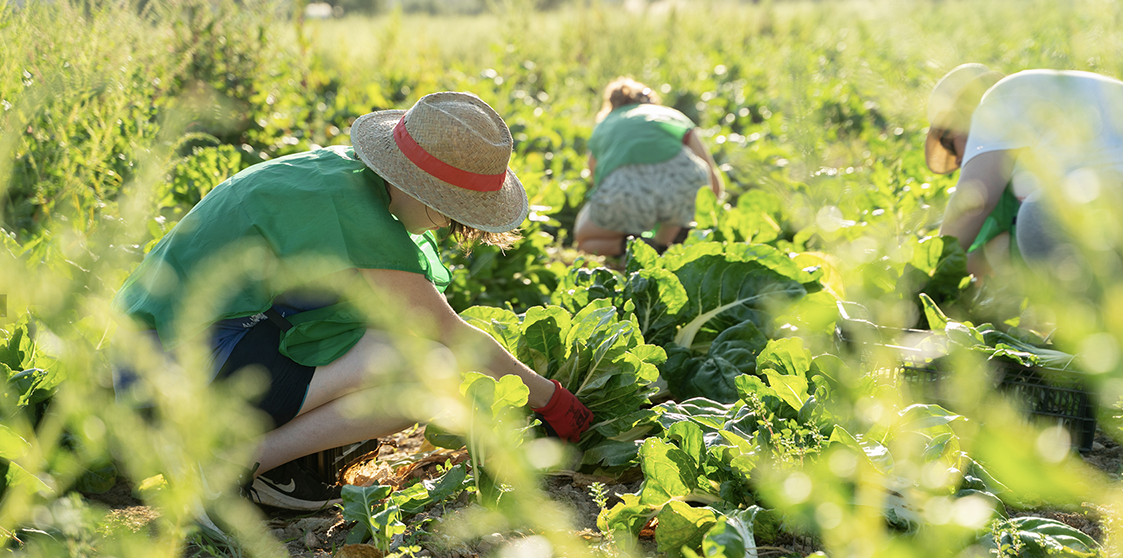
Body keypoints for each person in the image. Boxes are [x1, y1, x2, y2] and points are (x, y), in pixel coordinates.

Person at [113, 92, 594, 512]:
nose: (450, 225)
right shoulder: (350, 209)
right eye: (450, 210)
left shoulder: (337, 175)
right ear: (413, 184)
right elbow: (449, 334)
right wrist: (548, 398)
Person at [928, 64, 1123, 280]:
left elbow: (974, 202)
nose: (958, 160)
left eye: (948, 144)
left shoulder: (998, 100)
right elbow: (998, 251)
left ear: (960, 116)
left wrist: (930, 271)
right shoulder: (1032, 130)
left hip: (1119, 195)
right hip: (1116, 199)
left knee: (1038, 216)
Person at [573, 76, 726, 257]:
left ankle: (634, 247)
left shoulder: (604, 125)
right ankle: (667, 243)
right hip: (682, 188)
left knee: (586, 240)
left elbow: (596, 181)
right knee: (677, 197)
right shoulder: (671, 115)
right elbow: (711, 175)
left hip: (626, 192)